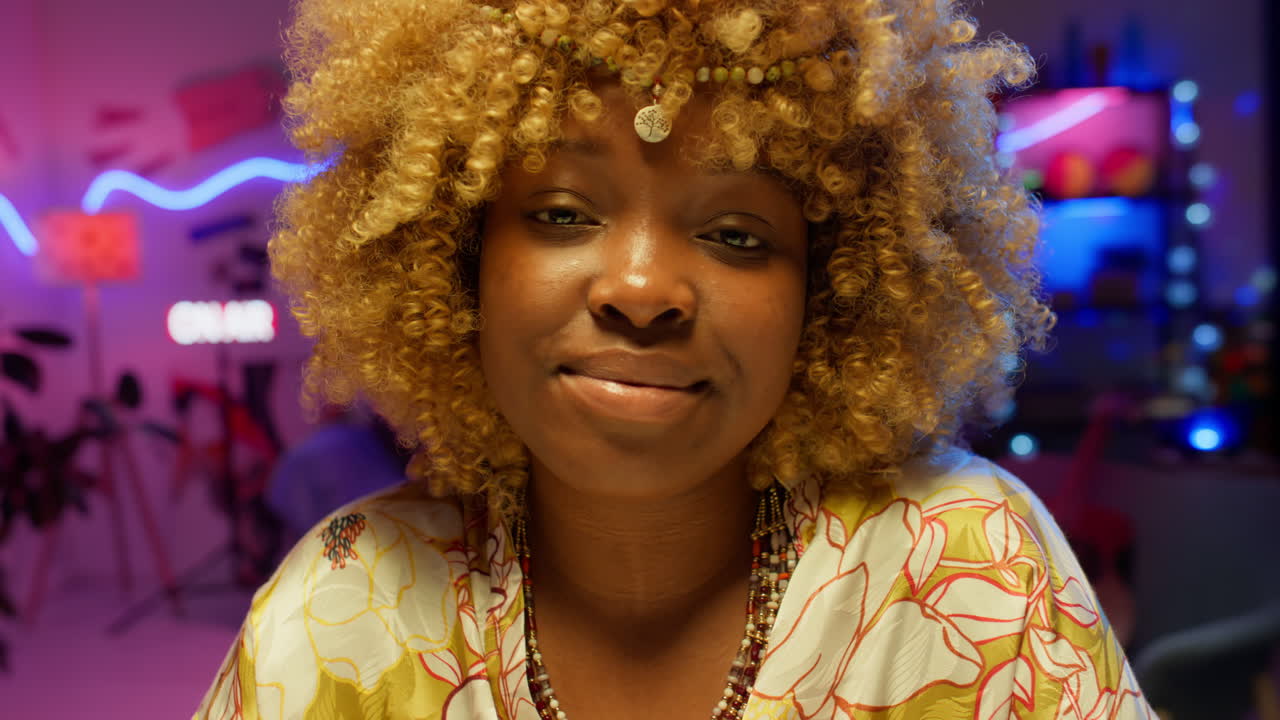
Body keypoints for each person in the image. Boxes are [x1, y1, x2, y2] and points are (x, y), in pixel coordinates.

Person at [197, 0, 1155, 718]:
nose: (644, 287)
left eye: (738, 234)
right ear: (457, 261)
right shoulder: (340, 603)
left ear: (829, 297)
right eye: (562, 214)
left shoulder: (968, 570)